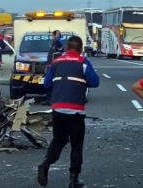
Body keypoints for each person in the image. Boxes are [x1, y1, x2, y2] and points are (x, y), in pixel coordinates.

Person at [37, 36, 99, 188]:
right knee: (76, 145)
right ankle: (74, 179)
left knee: (59, 140)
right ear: (80, 48)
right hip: (75, 111)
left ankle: (45, 165)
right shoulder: (83, 62)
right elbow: (95, 82)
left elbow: (46, 83)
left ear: (66, 48)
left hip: (57, 109)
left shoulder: (56, 62)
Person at [41, 30, 65, 105]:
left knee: (51, 83)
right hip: (50, 66)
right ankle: (49, 99)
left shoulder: (59, 44)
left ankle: (53, 100)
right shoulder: (53, 44)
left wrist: (57, 37)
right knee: (48, 83)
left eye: (53, 36)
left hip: (56, 67)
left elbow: (61, 47)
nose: (52, 37)